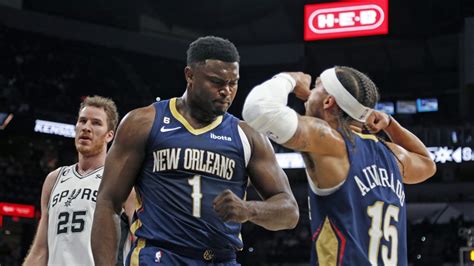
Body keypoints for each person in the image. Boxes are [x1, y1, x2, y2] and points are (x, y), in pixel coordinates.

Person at [91, 36, 299, 265]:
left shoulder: (248, 135)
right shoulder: (143, 122)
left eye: (233, 83)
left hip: (221, 258)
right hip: (160, 256)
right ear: (189, 75)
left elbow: (289, 212)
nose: (226, 91)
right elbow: (108, 202)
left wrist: (249, 210)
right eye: (217, 82)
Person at [242, 66, 437, 265]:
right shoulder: (393, 155)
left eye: (316, 87)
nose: (308, 93)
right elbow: (427, 163)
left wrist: (288, 79)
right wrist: (390, 123)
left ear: (329, 101)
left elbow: (257, 110)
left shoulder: (330, 142)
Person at [23, 96, 128, 265]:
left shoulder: (121, 180)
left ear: (110, 135)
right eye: (82, 121)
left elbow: (140, 241)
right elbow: (41, 250)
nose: (86, 127)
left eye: (96, 123)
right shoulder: (54, 180)